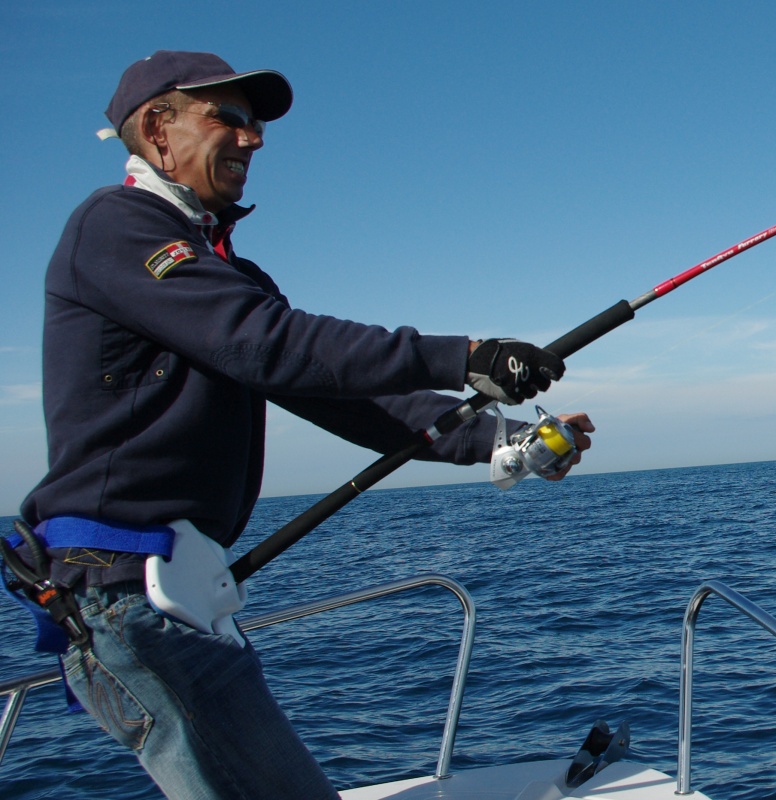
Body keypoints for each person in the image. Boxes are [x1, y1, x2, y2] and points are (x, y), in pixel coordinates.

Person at [5, 50, 593, 798]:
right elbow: (268, 343)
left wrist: (498, 442)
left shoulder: (226, 275)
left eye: (255, 126)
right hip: (124, 595)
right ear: (157, 127)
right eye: (231, 118)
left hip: (177, 596)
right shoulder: (115, 227)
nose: (254, 140)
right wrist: (465, 355)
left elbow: (342, 396)